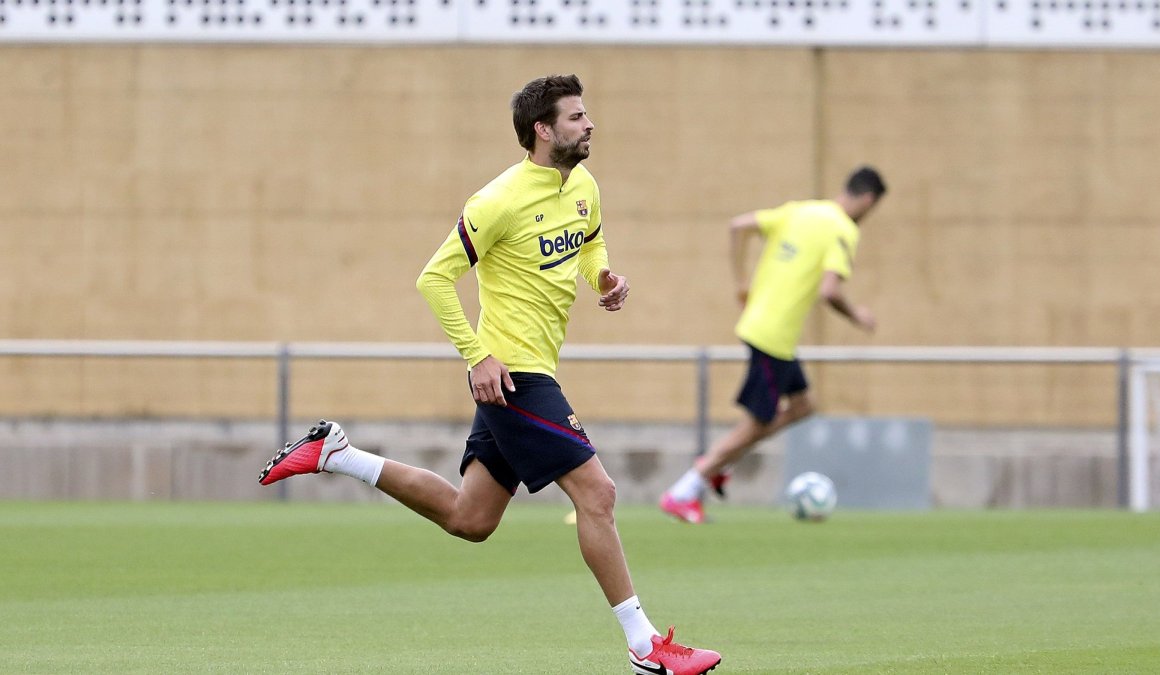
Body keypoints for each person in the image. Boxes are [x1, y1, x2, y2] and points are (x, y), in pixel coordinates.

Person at [257, 74, 721, 675]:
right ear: (543, 130)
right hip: (513, 375)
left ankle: (336, 454)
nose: (590, 125)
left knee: (469, 519)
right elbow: (433, 278)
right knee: (598, 494)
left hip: (523, 372)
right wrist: (477, 356)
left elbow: (589, 240)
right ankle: (644, 646)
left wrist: (602, 276)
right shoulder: (497, 200)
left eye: (587, 115)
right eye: (577, 117)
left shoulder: (582, 184)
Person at [660, 166, 888, 524]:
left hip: (765, 328)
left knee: (803, 405)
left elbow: (738, 226)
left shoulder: (800, 210)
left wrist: (741, 282)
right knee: (754, 425)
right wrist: (857, 316)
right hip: (774, 337)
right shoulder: (843, 229)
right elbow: (830, 290)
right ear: (869, 200)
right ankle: (686, 488)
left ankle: (722, 462)